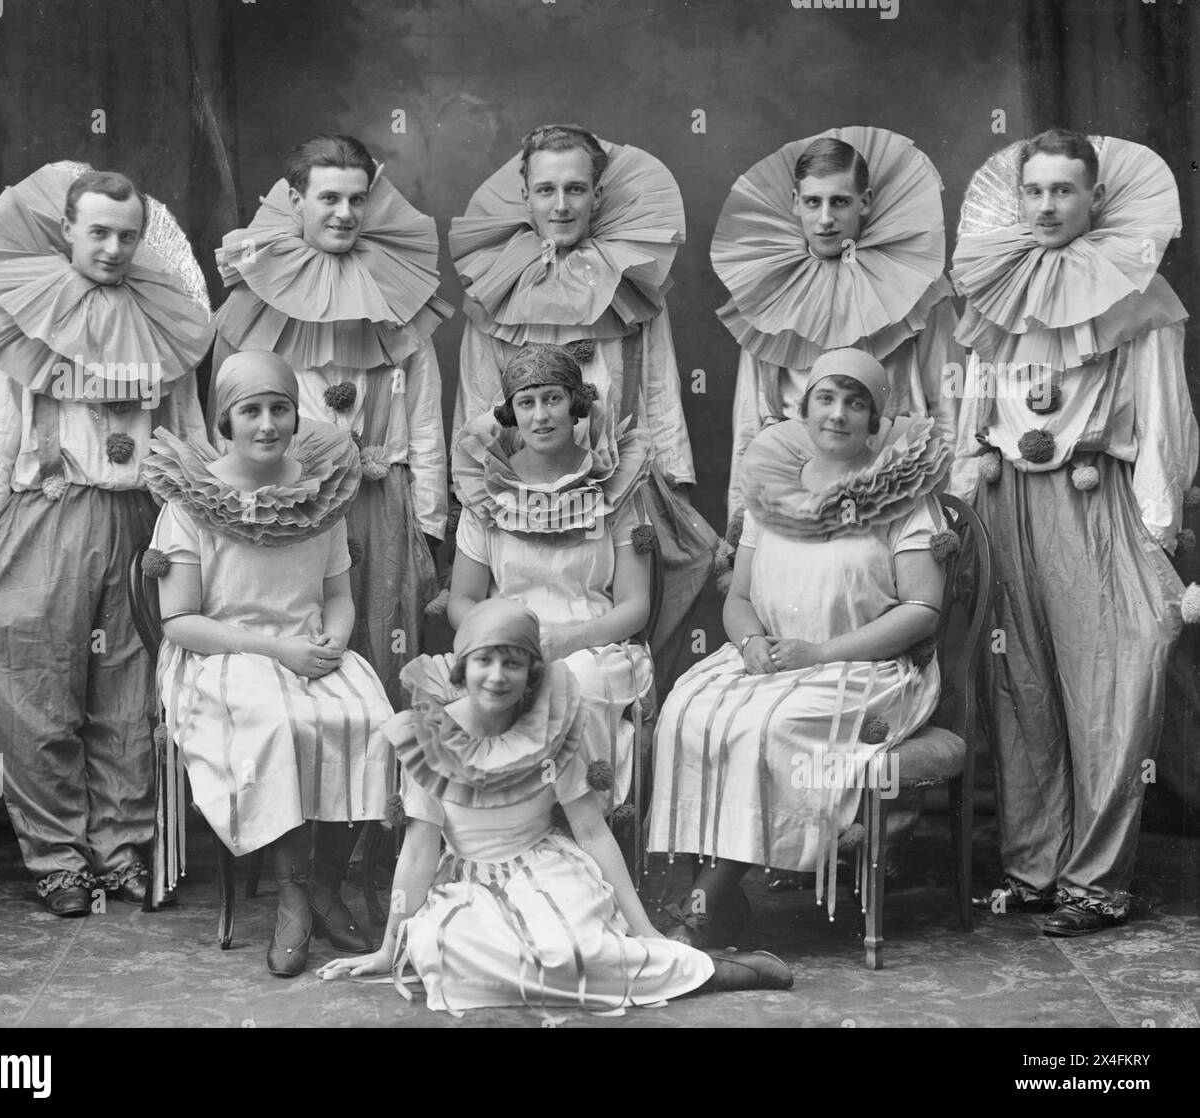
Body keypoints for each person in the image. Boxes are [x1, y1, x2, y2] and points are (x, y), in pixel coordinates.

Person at [0, 163, 211, 917]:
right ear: (67, 233)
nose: (113, 249)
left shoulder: (165, 320)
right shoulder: (24, 318)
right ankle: (56, 855)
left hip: (143, 522)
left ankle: (121, 850)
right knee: (39, 696)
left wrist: (205, 530)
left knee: (131, 698)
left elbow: (190, 437)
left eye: (128, 235)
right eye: (99, 233)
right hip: (47, 517)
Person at [950, 129, 1197, 936]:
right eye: (1035, 191)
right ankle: (1033, 867)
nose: (1048, 206)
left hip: (1096, 500)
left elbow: (1162, 418)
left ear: (1095, 199)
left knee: (1111, 686)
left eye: (1064, 191)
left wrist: (1157, 530)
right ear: (1017, 198)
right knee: (1018, 686)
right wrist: (960, 507)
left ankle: (1096, 879)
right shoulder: (996, 287)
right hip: (1004, 499)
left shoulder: (1139, 295)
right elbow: (971, 411)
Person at [318, 598, 793, 1015]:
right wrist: (388, 948)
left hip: (545, 868)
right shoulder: (428, 738)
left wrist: (644, 928)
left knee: (563, 952)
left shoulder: (550, 729)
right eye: (485, 660)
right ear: (463, 667)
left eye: (513, 662)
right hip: (467, 882)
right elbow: (419, 851)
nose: (498, 676)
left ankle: (709, 969)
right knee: (435, 949)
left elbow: (591, 831)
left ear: (531, 673)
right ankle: (592, 972)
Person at [649, 349, 952, 945]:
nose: (838, 415)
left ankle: (705, 903)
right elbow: (737, 599)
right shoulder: (774, 493)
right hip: (775, 657)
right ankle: (722, 893)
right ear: (803, 407)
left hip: (870, 668)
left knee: (775, 725)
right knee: (686, 713)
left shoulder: (902, 495)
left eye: (855, 402)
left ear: (874, 419)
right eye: (826, 399)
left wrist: (822, 653)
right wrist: (752, 641)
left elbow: (922, 610)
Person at [144, 349, 394, 975]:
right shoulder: (192, 500)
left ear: (295, 412)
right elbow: (181, 621)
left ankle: (326, 888)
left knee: (365, 720)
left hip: (307, 647)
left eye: (279, 408)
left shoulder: (319, 493)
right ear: (225, 421)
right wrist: (278, 650)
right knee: (276, 724)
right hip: (223, 653)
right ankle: (291, 894)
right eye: (249, 411)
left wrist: (335, 641)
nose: (267, 424)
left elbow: (337, 594)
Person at [449, 124, 717, 689]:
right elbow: (479, 405)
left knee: (629, 631)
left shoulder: (633, 279)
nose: (561, 205)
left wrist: (673, 485)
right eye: (546, 190)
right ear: (525, 197)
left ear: (598, 195)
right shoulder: (497, 282)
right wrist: (479, 497)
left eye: (576, 189)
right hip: (522, 493)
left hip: (621, 487)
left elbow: (662, 390)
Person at [208, 133, 449, 710]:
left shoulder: (398, 291)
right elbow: (228, 424)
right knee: (303, 650)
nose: (344, 214)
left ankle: (384, 792)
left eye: (357, 200)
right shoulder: (259, 290)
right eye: (328, 199)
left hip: (384, 500)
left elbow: (424, 422)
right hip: (292, 501)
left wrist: (431, 525)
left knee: (389, 646)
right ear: (296, 201)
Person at [713, 127, 960, 540]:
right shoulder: (769, 290)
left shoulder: (918, 288)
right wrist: (739, 524)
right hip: (791, 486)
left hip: (890, 485)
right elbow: (750, 424)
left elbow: (951, 411)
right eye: (813, 202)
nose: (825, 219)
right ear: (795, 203)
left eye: (839, 202)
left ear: (864, 202)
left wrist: (951, 519)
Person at [448, 344, 654, 807]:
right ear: (511, 413)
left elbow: (635, 606)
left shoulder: (614, 487)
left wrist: (569, 640)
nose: (541, 416)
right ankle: (504, 834)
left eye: (552, 399)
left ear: (575, 404)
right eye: (527, 402)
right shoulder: (488, 490)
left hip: (596, 645)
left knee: (571, 684)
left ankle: (575, 828)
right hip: (507, 644)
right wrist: (505, 639)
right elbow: (462, 600)